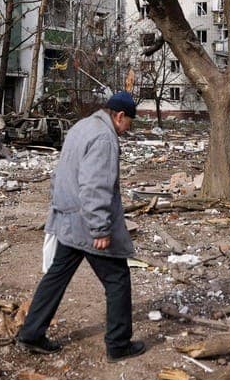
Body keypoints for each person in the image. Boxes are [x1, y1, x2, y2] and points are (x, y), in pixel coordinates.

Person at [15, 91, 145, 363]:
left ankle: (31, 333)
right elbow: (95, 186)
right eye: (129, 122)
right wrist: (100, 228)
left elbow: (62, 172)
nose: (128, 128)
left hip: (68, 217)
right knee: (118, 279)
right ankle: (118, 344)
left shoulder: (82, 126)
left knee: (56, 276)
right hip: (87, 223)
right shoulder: (104, 138)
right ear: (120, 116)